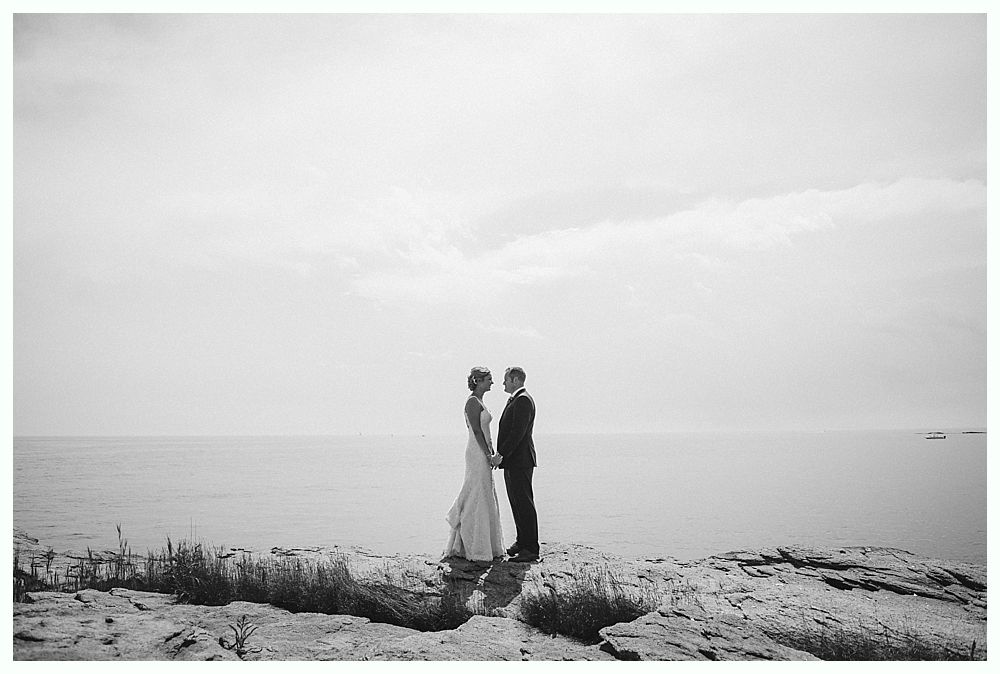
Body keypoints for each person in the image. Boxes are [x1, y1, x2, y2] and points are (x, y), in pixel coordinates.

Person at [443, 367, 505, 562]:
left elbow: (485, 431)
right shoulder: (472, 402)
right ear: (478, 381)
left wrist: (492, 448)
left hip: (484, 450)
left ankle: (486, 544)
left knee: (484, 493)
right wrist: (487, 454)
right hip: (476, 453)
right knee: (475, 492)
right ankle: (469, 543)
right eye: (489, 379)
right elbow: (477, 432)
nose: (492, 383)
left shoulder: (480, 402)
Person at [495, 366, 539, 563]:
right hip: (515, 461)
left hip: (520, 460)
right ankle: (522, 541)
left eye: (506, 380)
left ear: (515, 380)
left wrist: (501, 454)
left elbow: (517, 433)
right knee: (516, 502)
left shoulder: (523, 400)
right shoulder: (517, 399)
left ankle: (530, 548)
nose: (503, 383)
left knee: (524, 503)